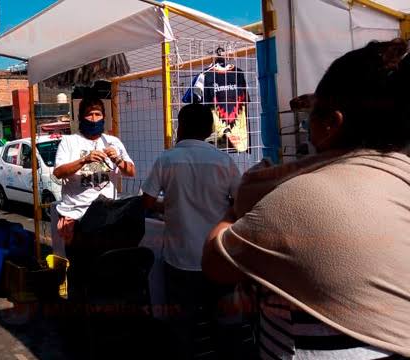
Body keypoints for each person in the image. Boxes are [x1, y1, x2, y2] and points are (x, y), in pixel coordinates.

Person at [202, 39, 410, 358]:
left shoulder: (299, 198)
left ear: (331, 124)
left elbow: (216, 263)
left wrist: (236, 207)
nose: (306, 125)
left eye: (310, 115)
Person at [142, 103, 240, 318]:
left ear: (181, 127)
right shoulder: (223, 161)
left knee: (182, 327)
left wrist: (169, 205)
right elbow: (241, 202)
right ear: (209, 130)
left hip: (180, 259)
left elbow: (147, 202)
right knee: (223, 327)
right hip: (217, 256)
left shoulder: (166, 160)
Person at [53, 96, 136, 243]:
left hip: (106, 216)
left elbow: (131, 172)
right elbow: (58, 173)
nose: (94, 118)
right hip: (76, 217)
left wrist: (117, 159)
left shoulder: (113, 141)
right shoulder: (69, 141)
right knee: (80, 263)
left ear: (104, 117)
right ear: (81, 118)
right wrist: (84, 160)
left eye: (98, 114)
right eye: (89, 114)